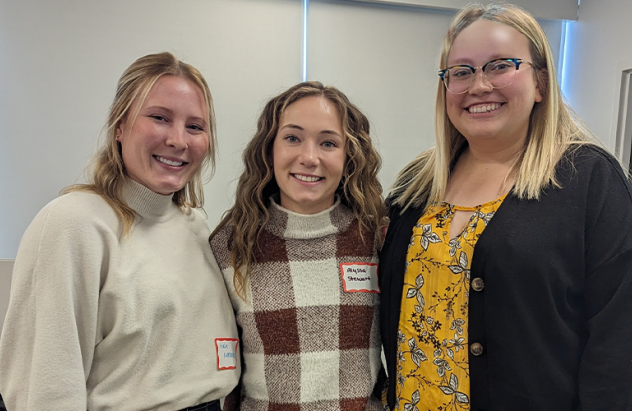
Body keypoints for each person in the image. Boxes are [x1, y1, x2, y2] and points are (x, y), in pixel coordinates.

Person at [379, 4, 632, 411]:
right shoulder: (417, 184)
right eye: (461, 72)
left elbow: (618, 339)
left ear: (541, 83)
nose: (479, 86)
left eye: (500, 65)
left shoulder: (586, 179)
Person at [0, 52, 240, 411]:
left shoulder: (196, 227)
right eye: (159, 118)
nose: (178, 140)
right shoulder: (73, 224)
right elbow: (47, 388)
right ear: (120, 126)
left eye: (195, 126)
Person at [210, 81, 386, 410]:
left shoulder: (377, 239)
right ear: (269, 148)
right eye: (292, 138)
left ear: (350, 156)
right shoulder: (230, 245)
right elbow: (224, 377)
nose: (309, 157)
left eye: (328, 143)